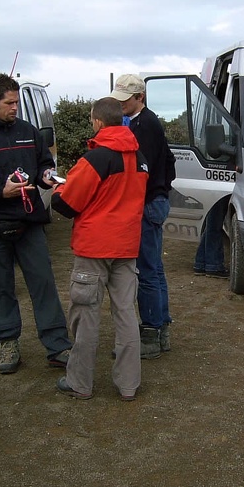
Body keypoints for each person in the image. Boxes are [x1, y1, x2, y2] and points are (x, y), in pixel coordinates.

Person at [0, 73, 72, 374]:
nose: (15, 108)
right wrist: (0, 191)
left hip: (30, 222)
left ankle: (57, 344)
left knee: (43, 283)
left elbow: (43, 164)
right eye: (9, 103)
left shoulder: (29, 132)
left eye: (17, 102)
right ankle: (6, 342)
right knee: (0, 287)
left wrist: (47, 176)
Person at [51, 97, 148, 400]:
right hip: (126, 244)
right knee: (126, 313)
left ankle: (80, 382)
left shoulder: (96, 159)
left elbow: (67, 204)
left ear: (97, 121)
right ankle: (129, 384)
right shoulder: (140, 157)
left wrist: (57, 188)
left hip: (94, 247)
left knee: (86, 315)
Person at [109, 74, 176, 360]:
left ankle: (150, 331)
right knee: (155, 268)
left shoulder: (144, 125)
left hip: (147, 204)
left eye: (126, 99)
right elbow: (169, 161)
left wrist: (145, 196)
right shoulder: (143, 122)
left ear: (140, 98)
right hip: (155, 200)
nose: (121, 104)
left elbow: (140, 171)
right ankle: (161, 329)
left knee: (146, 270)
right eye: (119, 98)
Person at [193, 197, 229, 278]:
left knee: (212, 224)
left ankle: (201, 264)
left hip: (214, 190)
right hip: (220, 189)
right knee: (215, 225)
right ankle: (213, 265)